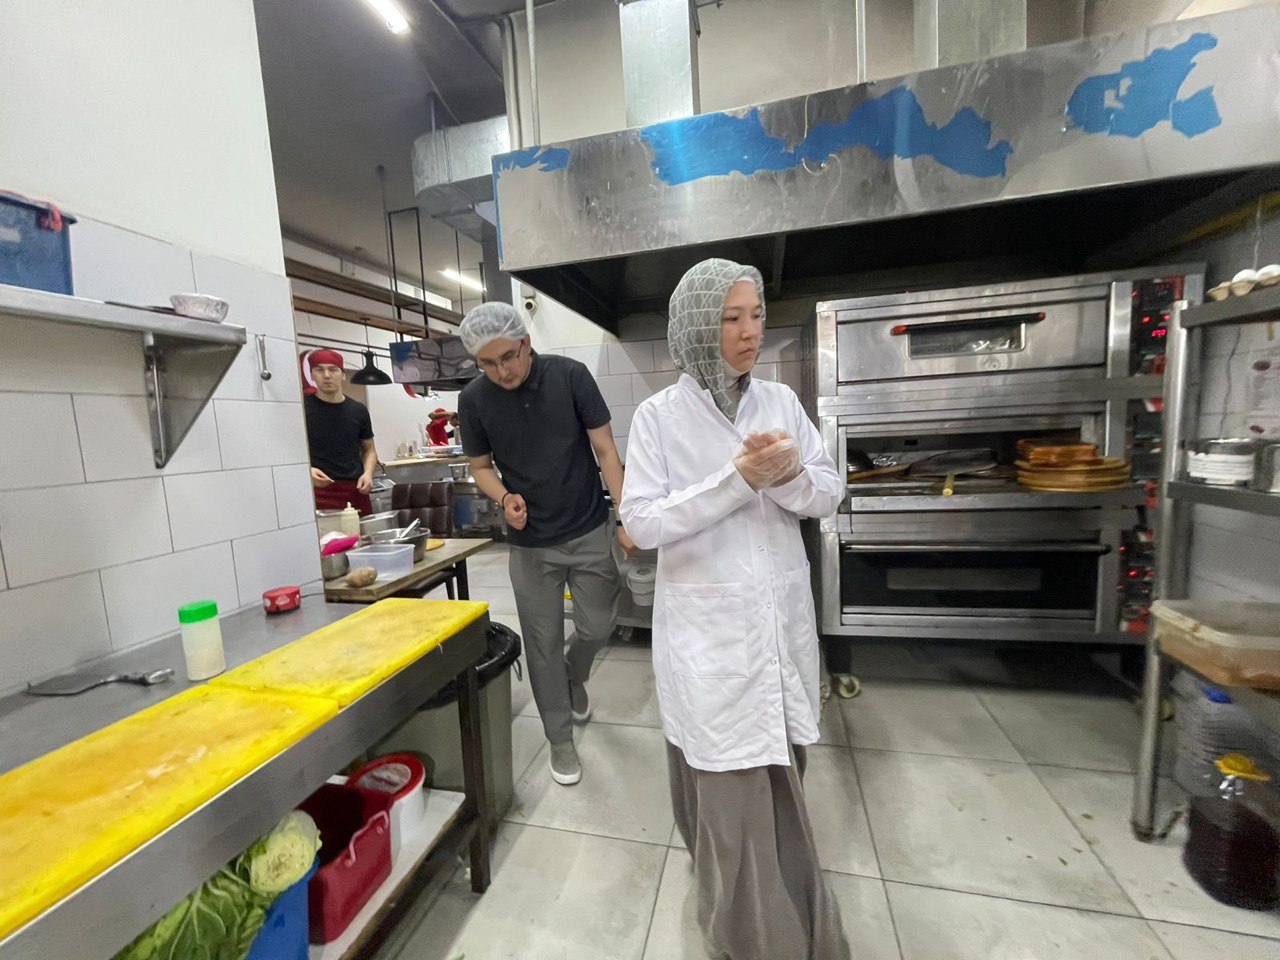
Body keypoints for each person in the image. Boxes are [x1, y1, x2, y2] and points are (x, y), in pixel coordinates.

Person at [620, 259, 850, 960]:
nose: (751, 333)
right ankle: (750, 934)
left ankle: (782, 915)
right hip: (708, 638)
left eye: (757, 316)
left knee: (783, 768)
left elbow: (827, 492)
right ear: (697, 327)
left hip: (777, 624)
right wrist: (736, 479)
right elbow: (642, 523)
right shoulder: (658, 418)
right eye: (731, 318)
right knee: (727, 786)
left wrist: (786, 476)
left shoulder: (780, 402)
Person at [457, 302, 635, 786]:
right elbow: (480, 467)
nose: (502, 371)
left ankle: (574, 673)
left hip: (588, 528)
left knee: (599, 626)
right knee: (542, 644)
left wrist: (625, 517)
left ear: (526, 343)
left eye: (508, 357)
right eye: (488, 364)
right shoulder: (474, 400)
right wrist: (504, 498)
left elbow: (606, 450)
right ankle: (560, 739)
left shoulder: (570, 377)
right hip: (530, 544)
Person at [304, 349, 378, 515]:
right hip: (317, 491)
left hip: (355, 490)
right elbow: (287, 451)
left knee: (363, 532)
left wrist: (367, 474)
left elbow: (369, 450)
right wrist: (306, 470)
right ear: (312, 375)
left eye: (333, 369)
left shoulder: (358, 410)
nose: (327, 375)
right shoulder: (302, 409)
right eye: (319, 370)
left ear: (343, 375)